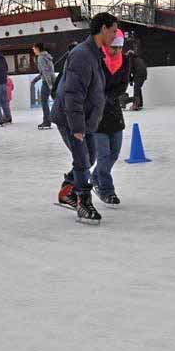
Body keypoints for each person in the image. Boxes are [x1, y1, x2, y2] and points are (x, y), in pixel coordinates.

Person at [51, 12, 118, 223]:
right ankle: (83, 202)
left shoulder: (94, 53)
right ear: (104, 29)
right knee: (82, 160)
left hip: (85, 118)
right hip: (72, 119)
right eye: (114, 30)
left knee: (90, 156)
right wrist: (78, 127)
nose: (115, 35)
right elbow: (72, 93)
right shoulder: (82, 55)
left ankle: (67, 190)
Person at [93, 30, 130, 205]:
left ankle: (94, 177)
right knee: (103, 156)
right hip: (97, 116)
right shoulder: (98, 60)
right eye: (113, 47)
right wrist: (100, 98)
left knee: (114, 153)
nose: (115, 51)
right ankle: (107, 190)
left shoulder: (124, 61)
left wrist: (109, 97)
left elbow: (123, 85)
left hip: (114, 113)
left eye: (119, 48)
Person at [32, 43, 55, 129]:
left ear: (37, 48)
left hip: (47, 82)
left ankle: (47, 121)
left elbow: (45, 72)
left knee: (44, 102)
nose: (33, 50)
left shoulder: (41, 58)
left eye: (34, 49)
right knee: (55, 100)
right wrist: (36, 79)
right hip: (52, 80)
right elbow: (46, 71)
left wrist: (49, 84)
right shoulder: (47, 56)